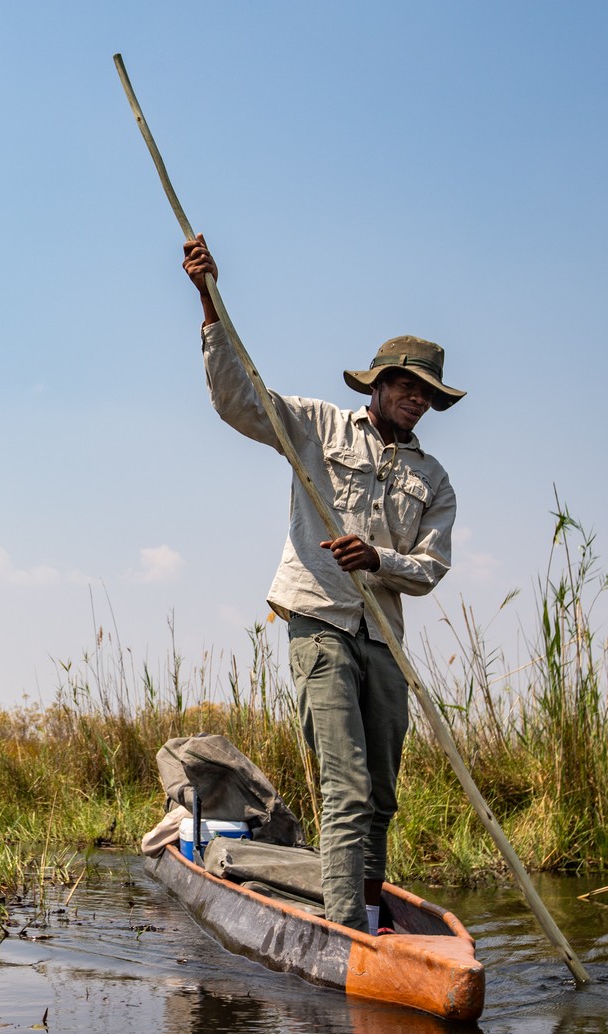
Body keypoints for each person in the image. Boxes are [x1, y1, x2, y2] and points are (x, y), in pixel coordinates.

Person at [183, 234, 462, 935]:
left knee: (381, 798)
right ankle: (347, 932)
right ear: (377, 384)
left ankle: (370, 911)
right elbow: (239, 403)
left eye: (426, 393)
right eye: (406, 386)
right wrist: (210, 304)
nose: (415, 400)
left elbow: (428, 568)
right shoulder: (316, 427)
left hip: (384, 640)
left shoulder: (434, 480)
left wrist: (379, 560)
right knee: (344, 785)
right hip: (321, 624)